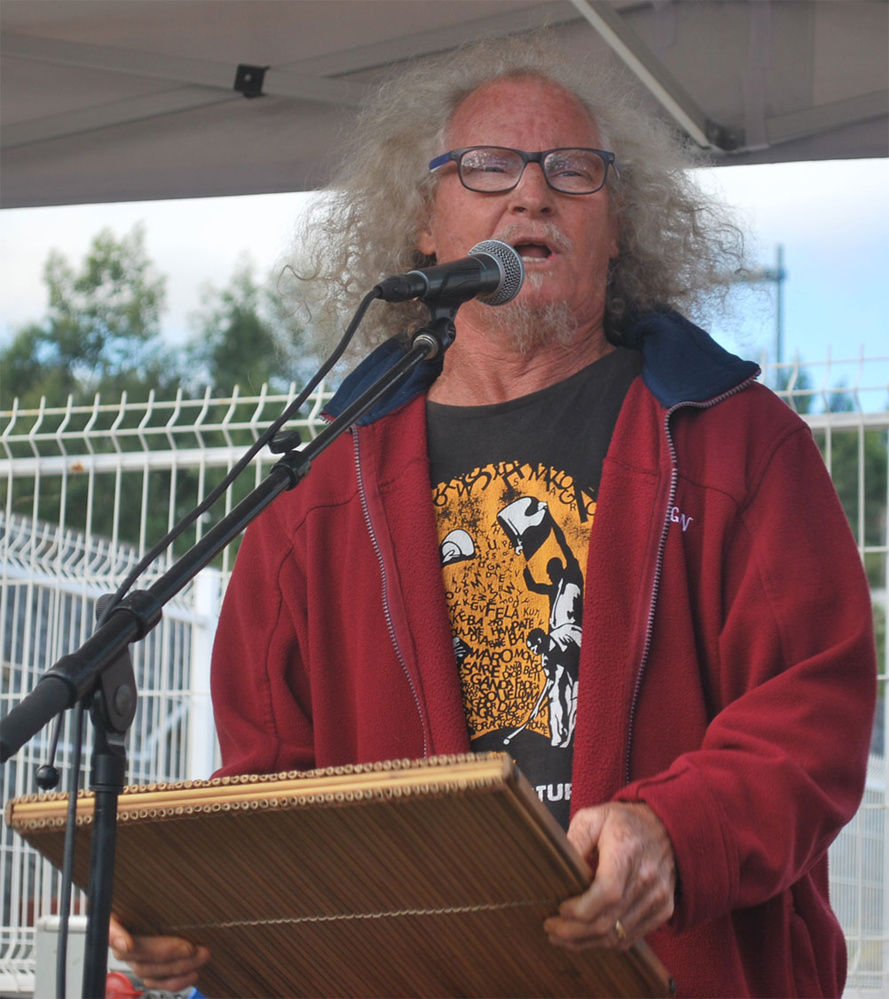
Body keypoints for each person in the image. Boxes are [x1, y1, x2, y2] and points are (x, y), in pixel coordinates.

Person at [110, 33, 876, 998]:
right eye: (487, 166)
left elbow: (812, 715)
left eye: (572, 169)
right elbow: (271, 776)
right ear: (424, 225)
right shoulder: (317, 485)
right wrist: (196, 901)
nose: (532, 193)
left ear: (616, 221)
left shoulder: (734, 439)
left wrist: (676, 834)